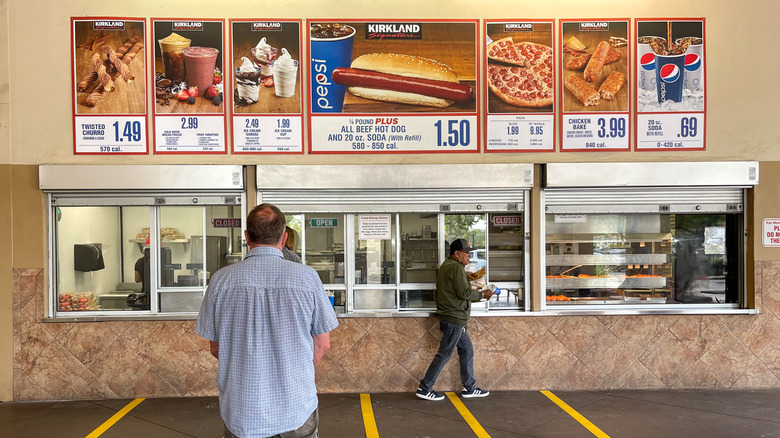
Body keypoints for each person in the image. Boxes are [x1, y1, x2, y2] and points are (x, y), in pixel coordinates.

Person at [195, 203, 339, 438]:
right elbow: (322, 344)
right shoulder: (308, 278)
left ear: (246, 237)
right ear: (284, 238)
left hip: (242, 411)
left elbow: (215, 347)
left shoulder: (221, 280)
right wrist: (289, 369)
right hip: (296, 409)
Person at [416, 238, 494, 401]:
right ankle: (424, 387)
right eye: (467, 253)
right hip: (454, 318)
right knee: (444, 354)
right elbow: (464, 294)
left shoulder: (448, 266)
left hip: (455, 318)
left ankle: (470, 387)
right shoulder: (455, 267)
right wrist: (482, 294)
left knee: (466, 350)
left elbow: (457, 289)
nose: (469, 257)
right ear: (457, 254)